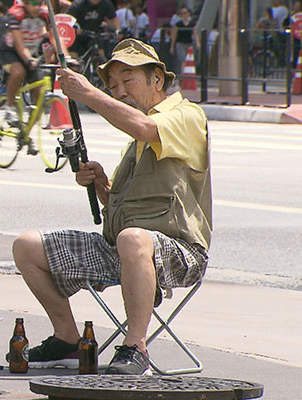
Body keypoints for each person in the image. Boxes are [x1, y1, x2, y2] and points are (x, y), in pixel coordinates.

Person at [12, 38, 211, 373]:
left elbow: (146, 128)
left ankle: (136, 347)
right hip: (121, 248)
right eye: (113, 85)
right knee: (27, 246)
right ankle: (67, 338)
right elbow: (119, 205)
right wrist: (102, 184)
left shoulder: (187, 116)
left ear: (157, 79)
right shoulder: (133, 144)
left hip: (180, 253)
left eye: (127, 80)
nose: (119, 91)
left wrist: (89, 93)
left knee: (132, 238)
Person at [0, 0, 49, 154]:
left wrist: (66, 58)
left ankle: (26, 134)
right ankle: (10, 106)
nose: (37, 7)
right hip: (11, 51)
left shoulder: (45, 14)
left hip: (32, 53)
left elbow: (55, 37)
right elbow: (19, 44)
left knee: (40, 98)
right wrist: (28, 60)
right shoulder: (15, 14)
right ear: (25, 4)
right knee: (18, 71)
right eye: (34, 3)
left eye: (40, 3)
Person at [170, 6, 199, 78]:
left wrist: (198, 43)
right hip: (180, 43)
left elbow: (195, 33)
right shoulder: (178, 24)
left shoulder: (192, 24)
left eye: (185, 13)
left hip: (189, 43)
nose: (184, 15)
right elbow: (174, 35)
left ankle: (187, 76)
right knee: (183, 59)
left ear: (188, 14)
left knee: (189, 60)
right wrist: (172, 47)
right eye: (182, 13)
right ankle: (182, 77)